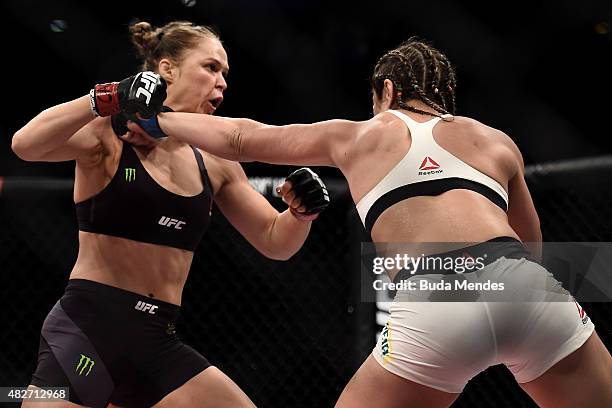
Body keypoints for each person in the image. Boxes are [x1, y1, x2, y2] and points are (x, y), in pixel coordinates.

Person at [127, 37, 612, 407]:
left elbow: (241, 139)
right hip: (526, 287)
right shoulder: (494, 140)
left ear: (386, 91)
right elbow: (532, 245)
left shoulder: (360, 135)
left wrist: (158, 120)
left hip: (435, 297)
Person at [11, 21, 328, 408]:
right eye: (211, 68)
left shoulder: (215, 161)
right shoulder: (109, 134)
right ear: (167, 69)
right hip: (89, 329)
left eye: (225, 74)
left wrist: (300, 214)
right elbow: (25, 145)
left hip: (156, 341)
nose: (222, 82)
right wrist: (105, 98)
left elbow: (275, 241)